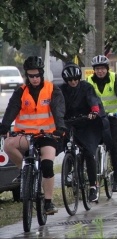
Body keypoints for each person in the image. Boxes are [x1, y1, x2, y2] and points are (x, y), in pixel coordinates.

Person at [0, 56, 66, 215]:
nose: (34, 79)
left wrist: (60, 127)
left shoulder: (52, 89)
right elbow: (11, 110)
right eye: (31, 76)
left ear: (42, 74)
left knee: (48, 166)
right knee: (8, 144)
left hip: (47, 136)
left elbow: (58, 110)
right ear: (26, 76)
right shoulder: (21, 91)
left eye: (37, 75)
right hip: (25, 135)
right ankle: (23, 171)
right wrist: (4, 126)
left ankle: (48, 202)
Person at [60, 62, 114, 202]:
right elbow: (57, 105)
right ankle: (69, 168)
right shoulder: (61, 90)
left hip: (88, 122)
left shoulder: (86, 87)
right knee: (66, 144)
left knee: (89, 152)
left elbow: (93, 100)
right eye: (70, 80)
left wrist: (94, 111)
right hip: (70, 122)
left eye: (75, 79)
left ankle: (93, 186)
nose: (73, 82)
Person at [87, 55, 117, 192]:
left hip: (112, 117)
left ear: (107, 69)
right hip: (96, 119)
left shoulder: (114, 78)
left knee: (114, 147)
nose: (100, 72)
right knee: (90, 146)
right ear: (94, 70)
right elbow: (86, 97)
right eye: (97, 69)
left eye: (102, 69)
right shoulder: (89, 81)